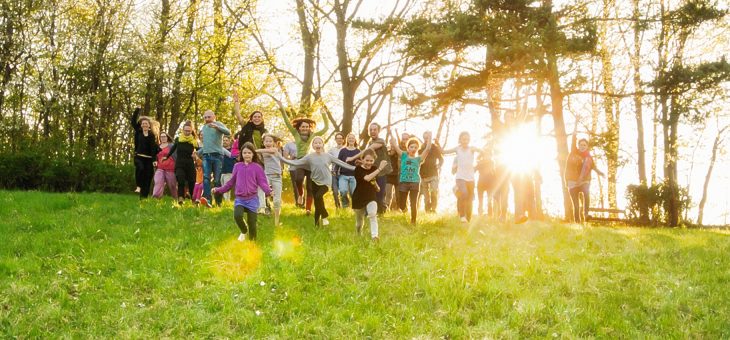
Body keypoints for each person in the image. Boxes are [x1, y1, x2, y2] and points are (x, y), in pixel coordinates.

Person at [278, 136, 355, 227]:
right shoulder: (309, 157)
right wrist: (281, 158)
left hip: (326, 182)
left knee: (318, 197)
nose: (318, 144)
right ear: (313, 146)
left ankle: (325, 215)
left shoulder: (328, 156)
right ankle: (316, 224)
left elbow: (341, 163)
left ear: (322, 145)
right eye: (315, 143)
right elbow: (296, 163)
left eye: (319, 143)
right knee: (318, 201)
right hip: (314, 181)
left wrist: (355, 168)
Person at [213, 142, 271, 242]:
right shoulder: (237, 166)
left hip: (252, 199)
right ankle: (244, 231)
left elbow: (262, 182)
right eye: (244, 153)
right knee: (237, 216)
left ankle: (252, 244)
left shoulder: (257, 167)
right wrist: (219, 190)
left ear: (253, 154)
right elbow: (231, 182)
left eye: (249, 153)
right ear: (241, 154)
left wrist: (269, 191)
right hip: (240, 199)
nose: (247, 155)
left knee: (252, 222)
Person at [283, 115, 328, 215]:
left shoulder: (312, 135)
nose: (305, 128)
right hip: (300, 162)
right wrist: (282, 108)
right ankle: (300, 194)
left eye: (307, 127)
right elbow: (287, 122)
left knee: (310, 187)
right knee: (298, 179)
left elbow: (325, 129)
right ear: (299, 128)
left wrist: (324, 114)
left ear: (309, 128)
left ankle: (308, 209)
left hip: (310, 162)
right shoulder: (296, 134)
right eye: (303, 127)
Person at [346, 123, 392, 214]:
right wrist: (361, 162)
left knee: (380, 192)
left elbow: (367, 151)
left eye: (375, 129)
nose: (372, 131)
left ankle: (381, 212)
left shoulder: (381, 141)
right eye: (370, 130)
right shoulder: (370, 142)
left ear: (378, 131)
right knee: (371, 192)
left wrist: (352, 158)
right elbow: (369, 156)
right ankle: (370, 212)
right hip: (373, 170)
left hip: (382, 171)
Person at [390, 131, 432, 225]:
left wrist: (430, 138)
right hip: (404, 182)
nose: (413, 149)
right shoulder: (404, 155)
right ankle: (404, 209)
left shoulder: (419, 159)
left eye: (415, 147)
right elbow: (396, 146)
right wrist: (392, 138)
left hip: (414, 183)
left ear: (417, 149)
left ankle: (413, 222)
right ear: (408, 148)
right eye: (411, 147)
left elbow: (428, 149)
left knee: (413, 204)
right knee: (401, 205)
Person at [566, 126, 604, 223]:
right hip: (572, 181)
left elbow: (593, 167)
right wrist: (576, 122)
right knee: (576, 205)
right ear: (578, 145)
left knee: (586, 192)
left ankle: (586, 214)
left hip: (584, 180)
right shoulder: (574, 152)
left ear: (587, 147)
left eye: (584, 145)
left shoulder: (588, 157)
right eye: (581, 145)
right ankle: (577, 222)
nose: (582, 146)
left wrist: (600, 173)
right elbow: (573, 139)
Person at [443, 131, 481, 223]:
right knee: (464, 193)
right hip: (460, 178)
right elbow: (452, 171)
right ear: (460, 140)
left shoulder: (471, 149)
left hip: (471, 178)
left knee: (470, 198)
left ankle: (468, 218)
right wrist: (455, 167)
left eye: (467, 139)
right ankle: (462, 215)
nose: (466, 141)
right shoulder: (457, 153)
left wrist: (482, 152)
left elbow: (481, 152)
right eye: (464, 139)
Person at [351, 150, 388, 241]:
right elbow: (367, 178)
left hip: (371, 196)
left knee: (372, 214)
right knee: (359, 222)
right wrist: (380, 169)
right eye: (367, 160)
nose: (369, 163)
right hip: (359, 197)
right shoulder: (358, 169)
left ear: (374, 160)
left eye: (371, 161)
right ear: (362, 159)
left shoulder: (374, 168)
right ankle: (358, 233)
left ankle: (374, 236)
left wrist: (377, 186)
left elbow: (373, 180)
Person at [199, 110, 231, 207]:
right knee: (206, 178)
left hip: (217, 156)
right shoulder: (204, 127)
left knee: (217, 180)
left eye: (209, 117)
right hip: (206, 156)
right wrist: (198, 152)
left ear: (214, 116)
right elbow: (207, 144)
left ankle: (218, 202)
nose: (207, 119)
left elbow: (228, 132)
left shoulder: (218, 124)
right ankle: (208, 199)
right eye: (205, 117)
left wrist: (217, 127)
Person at [165, 121, 198, 205]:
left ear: (191, 131)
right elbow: (173, 148)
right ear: (183, 130)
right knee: (181, 180)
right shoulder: (178, 139)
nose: (187, 132)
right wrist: (167, 157)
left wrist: (197, 157)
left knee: (192, 182)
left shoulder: (193, 141)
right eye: (185, 130)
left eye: (189, 131)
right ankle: (181, 198)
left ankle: (193, 200)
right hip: (179, 164)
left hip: (190, 164)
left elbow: (199, 151)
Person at [256, 134, 284, 226]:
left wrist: (255, 150)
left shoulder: (275, 150)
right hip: (267, 175)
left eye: (270, 141)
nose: (268, 143)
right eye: (266, 141)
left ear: (274, 143)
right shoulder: (263, 152)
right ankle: (262, 207)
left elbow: (267, 151)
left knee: (276, 201)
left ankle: (276, 222)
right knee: (260, 187)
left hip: (277, 177)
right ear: (263, 143)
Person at [130, 108, 159, 199]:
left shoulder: (151, 135)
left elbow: (153, 148)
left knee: (148, 177)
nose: (144, 125)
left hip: (149, 159)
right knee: (140, 168)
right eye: (143, 123)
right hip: (139, 157)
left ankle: (143, 198)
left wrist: (154, 160)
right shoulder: (138, 132)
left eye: (146, 123)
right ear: (141, 125)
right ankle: (138, 186)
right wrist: (137, 110)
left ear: (149, 125)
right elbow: (133, 121)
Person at [418, 132, 443, 213]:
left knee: (433, 191)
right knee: (426, 196)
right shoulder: (421, 149)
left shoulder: (434, 148)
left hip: (433, 174)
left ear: (430, 138)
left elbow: (441, 159)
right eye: (425, 138)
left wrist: (439, 165)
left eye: (428, 138)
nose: (426, 139)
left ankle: (434, 208)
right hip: (423, 175)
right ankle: (428, 211)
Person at [337, 133, 360, 208]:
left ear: (355, 140)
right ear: (347, 140)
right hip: (343, 175)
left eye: (352, 138)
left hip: (354, 176)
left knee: (353, 194)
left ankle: (354, 208)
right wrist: (335, 171)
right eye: (349, 138)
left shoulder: (358, 151)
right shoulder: (343, 151)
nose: (351, 139)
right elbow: (338, 162)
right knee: (343, 191)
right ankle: (345, 206)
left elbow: (360, 164)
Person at [152, 132, 177, 200]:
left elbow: (176, 156)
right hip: (160, 168)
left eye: (164, 136)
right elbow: (155, 157)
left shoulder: (171, 146)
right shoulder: (158, 147)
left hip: (170, 169)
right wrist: (155, 162)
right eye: (161, 137)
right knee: (158, 182)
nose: (163, 138)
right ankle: (156, 198)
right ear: (160, 138)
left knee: (172, 186)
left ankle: (176, 198)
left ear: (167, 137)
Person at [476, 143, 496, 216]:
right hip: (480, 184)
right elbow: (474, 169)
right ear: (483, 155)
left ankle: (490, 215)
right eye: (485, 155)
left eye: (489, 155)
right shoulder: (480, 163)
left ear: (491, 156)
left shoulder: (492, 162)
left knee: (489, 200)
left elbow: (493, 172)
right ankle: (480, 214)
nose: (487, 156)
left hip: (490, 184)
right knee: (480, 200)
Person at [327, 132, 345, 209]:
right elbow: (327, 160)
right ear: (335, 140)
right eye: (338, 138)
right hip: (334, 173)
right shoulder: (331, 150)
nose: (339, 140)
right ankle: (338, 206)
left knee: (343, 191)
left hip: (343, 173)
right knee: (335, 191)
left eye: (341, 138)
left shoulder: (345, 149)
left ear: (343, 140)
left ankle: (345, 206)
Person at [283, 140, 303, 208]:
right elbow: (285, 157)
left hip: (303, 166)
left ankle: (303, 203)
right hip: (293, 167)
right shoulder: (289, 144)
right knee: (296, 185)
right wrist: (291, 158)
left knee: (302, 185)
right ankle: (298, 204)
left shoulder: (305, 144)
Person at [221, 135, 237, 201]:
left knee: (226, 188)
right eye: (223, 140)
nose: (225, 142)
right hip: (221, 172)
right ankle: (225, 201)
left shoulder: (232, 150)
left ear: (230, 141)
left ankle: (226, 202)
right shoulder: (220, 150)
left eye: (226, 140)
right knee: (223, 187)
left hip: (229, 171)